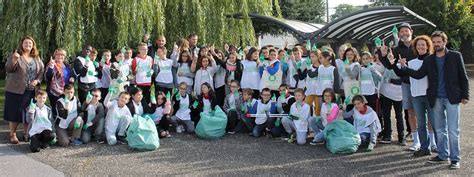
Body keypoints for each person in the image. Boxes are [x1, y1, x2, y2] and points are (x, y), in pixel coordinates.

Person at [401, 31, 469, 169]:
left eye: (439, 41)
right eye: (435, 42)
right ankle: (443, 155)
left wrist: (465, 95)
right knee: (439, 129)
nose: (437, 44)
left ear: (444, 42)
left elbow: (463, 76)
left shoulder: (456, 56)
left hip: (452, 98)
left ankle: (455, 159)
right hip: (436, 98)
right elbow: (419, 74)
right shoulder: (429, 59)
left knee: (453, 130)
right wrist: (405, 68)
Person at [379, 23, 417, 144]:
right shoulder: (396, 50)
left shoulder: (418, 45)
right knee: (410, 112)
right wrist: (383, 56)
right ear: (399, 34)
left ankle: (426, 139)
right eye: (402, 31)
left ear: (411, 31)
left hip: (419, 83)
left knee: (421, 112)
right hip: (405, 84)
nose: (404, 33)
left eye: (406, 31)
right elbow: (390, 66)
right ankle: (415, 139)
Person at [5, 36, 45, 144]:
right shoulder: (17, 55)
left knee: (29, 112)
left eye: (30, 43)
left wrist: (37, 81)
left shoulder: (36, 58)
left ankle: (26, 133)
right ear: (22, 44)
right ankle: (12, 134)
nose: (28, 45)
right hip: (15, 90)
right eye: (26, 43)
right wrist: (14, 59)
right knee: (15, 113)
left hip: (31, 91)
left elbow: (41, 71)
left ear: (33, 46)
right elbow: (9, 69)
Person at [44, 48, 75, 121]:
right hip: (54, 92)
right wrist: (51, 67)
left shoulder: (66, 65)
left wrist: (73, 78)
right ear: (55, 55)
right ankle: (56, 125)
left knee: (65, 108)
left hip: (66, 91)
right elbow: (48, 77)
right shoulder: (51, 63)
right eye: (58, 54)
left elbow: (72, 75)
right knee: (56, 110)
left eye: (62, 55)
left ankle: (65, 123)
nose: (60, 56)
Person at [304, 50, 321, 116]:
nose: (311, 58)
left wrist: (308, 68)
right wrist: (298, 67)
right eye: (310, 57)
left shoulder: (321, 67)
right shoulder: (309, 65)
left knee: (317, 111)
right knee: (305, 109)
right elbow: (302, 77)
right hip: (309, 92)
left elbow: (312, 75)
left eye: (313, 56)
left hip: (317, 93)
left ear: (318, 57)